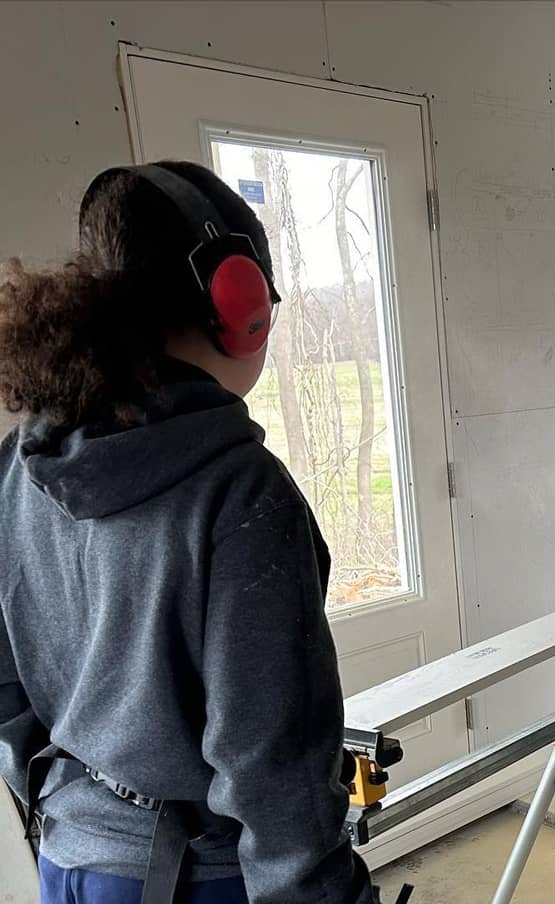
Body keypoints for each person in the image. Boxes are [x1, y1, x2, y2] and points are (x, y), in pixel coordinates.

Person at [0, 162, 375, 903]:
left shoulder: (18, 464)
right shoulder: (243, 496)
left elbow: (7, 692)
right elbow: (277, 775)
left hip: (70, 861)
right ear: (239, 303)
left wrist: (63, 796)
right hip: (199, 879)